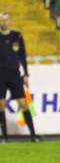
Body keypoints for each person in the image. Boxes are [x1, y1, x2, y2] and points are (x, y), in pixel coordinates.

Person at [0, 12, 38, 143]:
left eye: (6, 20)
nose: (4, 22)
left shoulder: (17, 36)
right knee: (1, 106)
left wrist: (26, 73)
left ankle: (33, 135)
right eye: (2, 20)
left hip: (15, 75)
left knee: (24, 104)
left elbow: (22, 56)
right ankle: (4, 138)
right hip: (0, 76)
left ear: (9, 21)